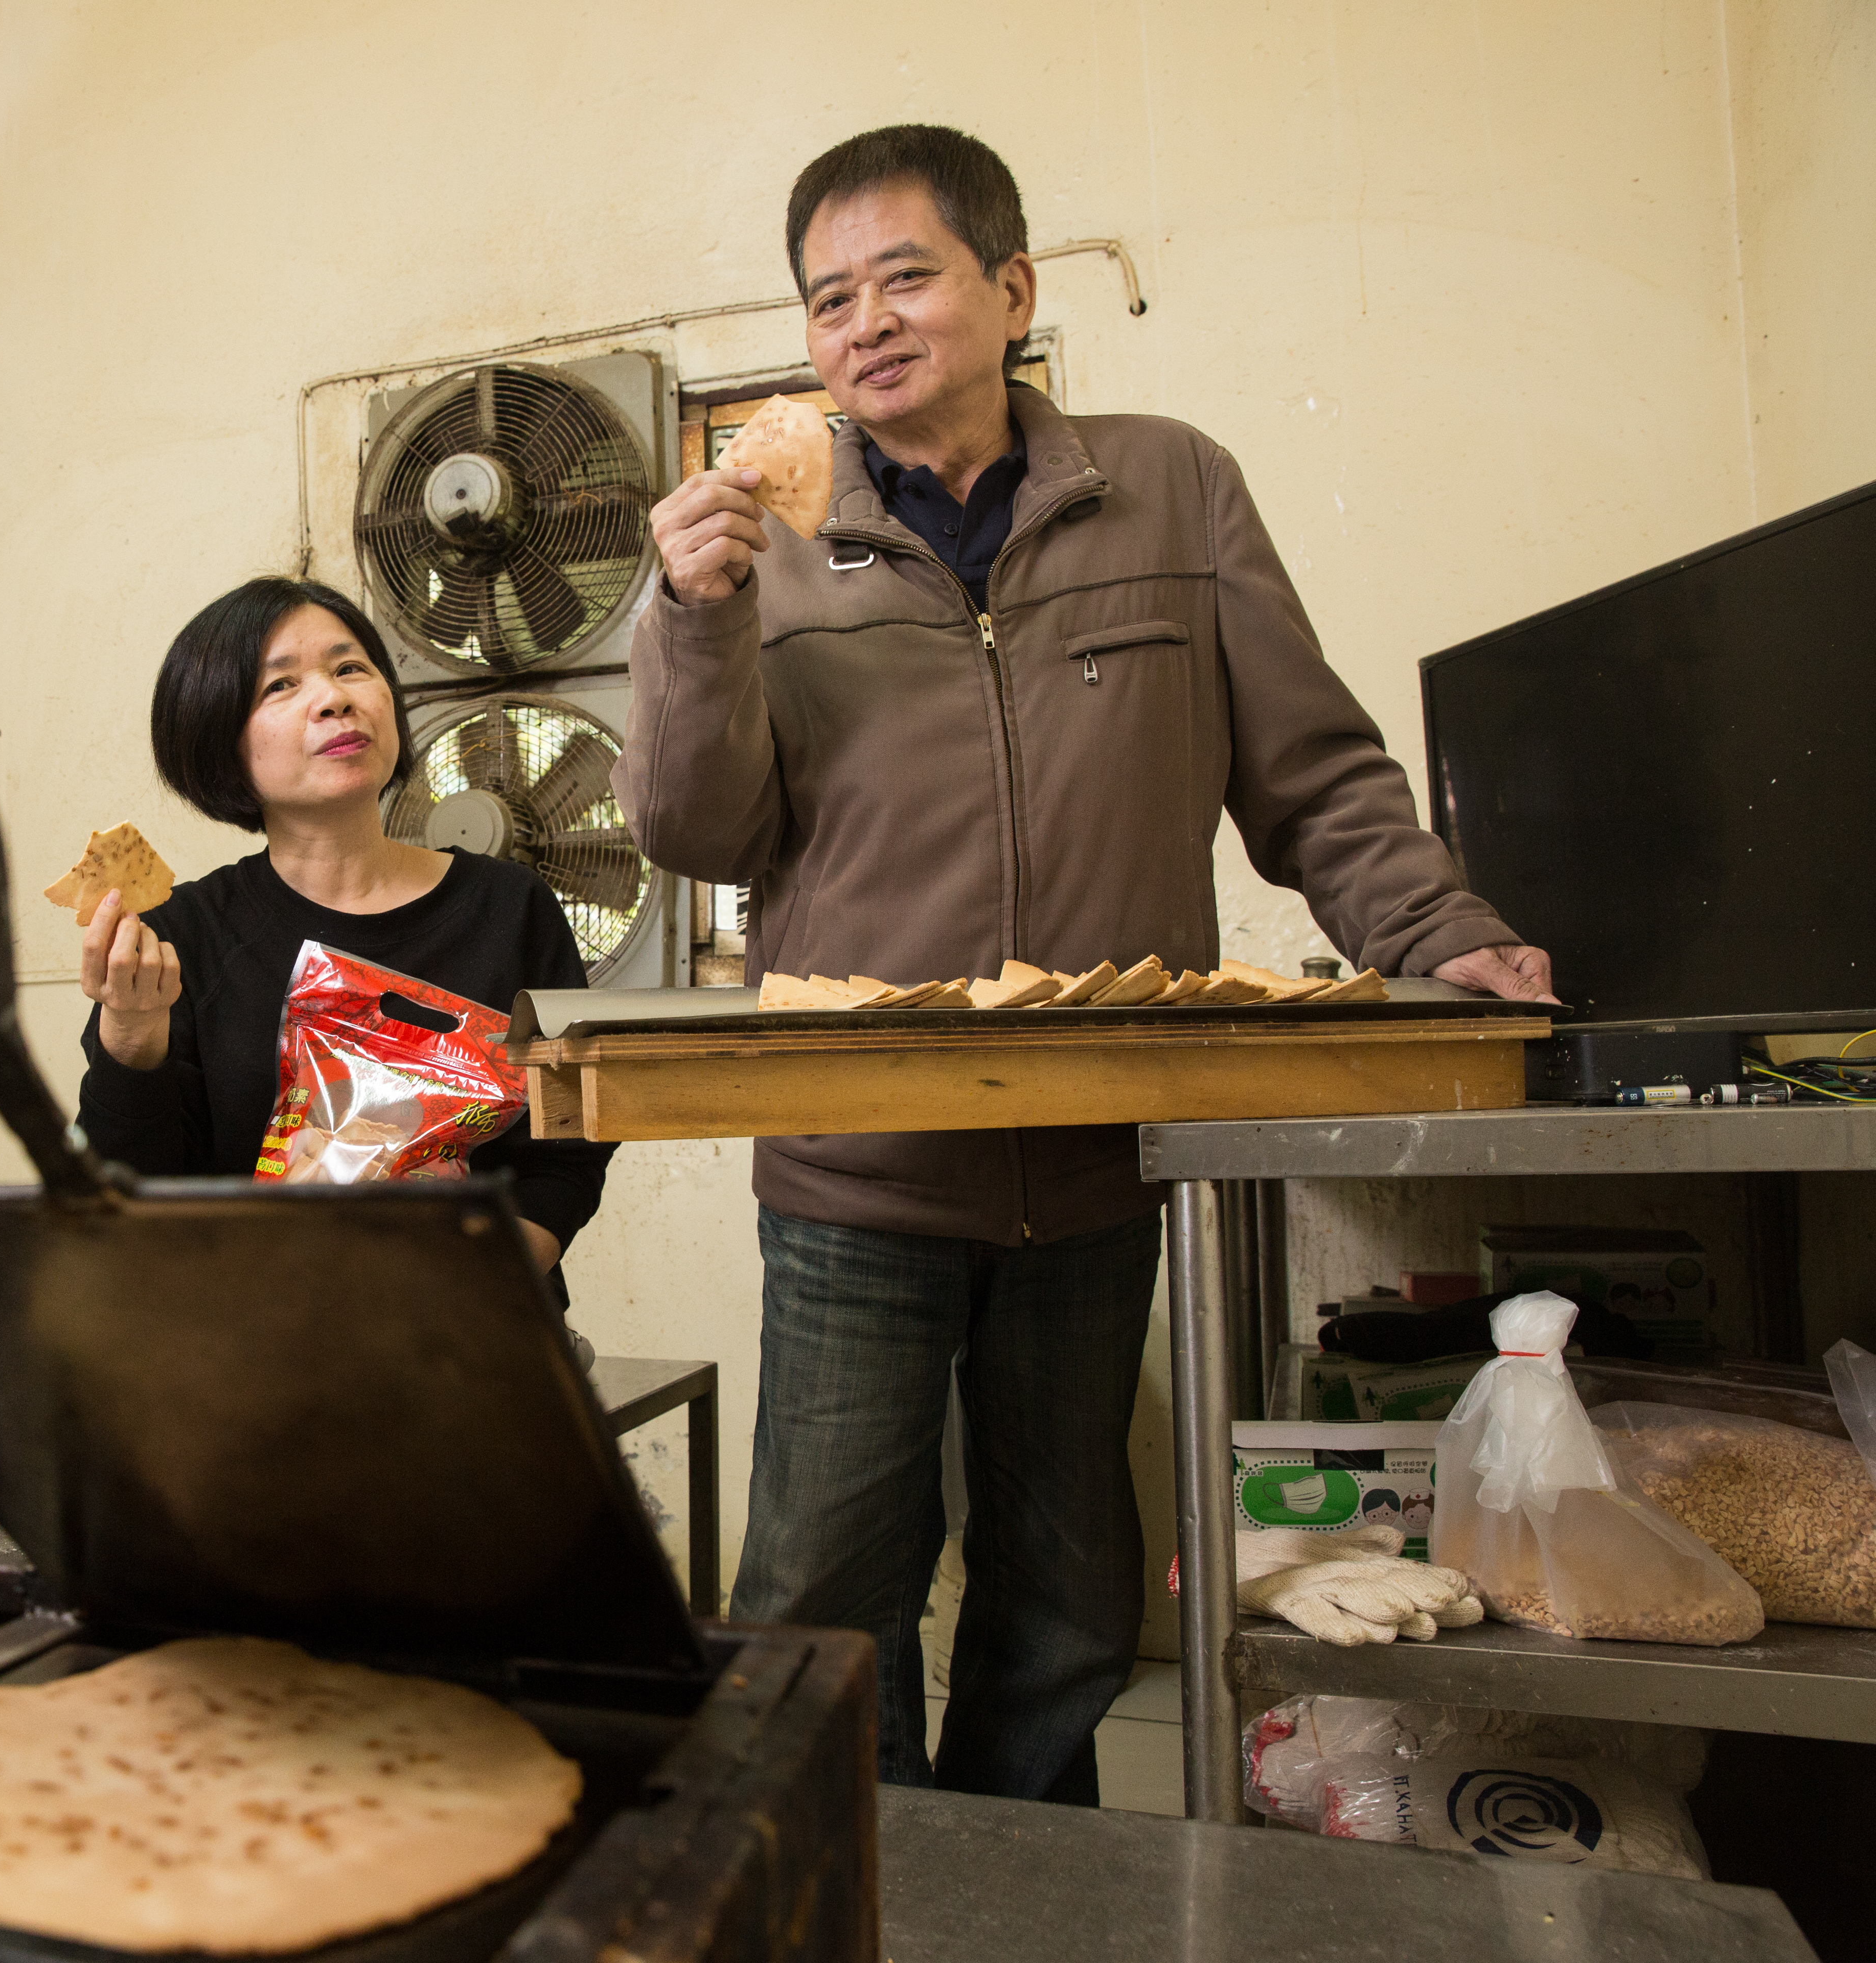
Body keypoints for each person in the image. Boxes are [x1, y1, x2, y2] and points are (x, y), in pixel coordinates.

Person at [612, 124, 1558, 1802]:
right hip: (855, 1169)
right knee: (824, 1595)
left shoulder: (1171, 484)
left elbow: (1317, 783)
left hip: (1108, 1152)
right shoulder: (757, 548)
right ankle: (850, 1885)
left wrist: (1446, 936)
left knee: (1063, 1607)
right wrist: (688, 620)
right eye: (830, 299)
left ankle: (1028, 1892)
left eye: (907, 274)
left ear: (1012, 286)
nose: (866, 322)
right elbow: (694, 834)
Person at [76, 576, 615, 1296]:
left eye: (350, 668)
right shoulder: (182, 937)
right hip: (261, 1350)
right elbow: (132, 1198)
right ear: (219, 741)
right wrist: (132, 1034)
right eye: (280, 687)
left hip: (480, 1341)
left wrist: (478, 1274)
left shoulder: (510, 906)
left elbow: (569, 1149)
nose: (333, 698)